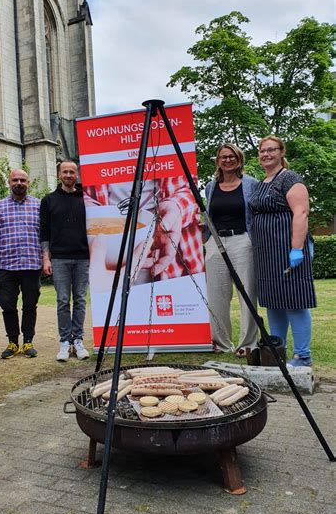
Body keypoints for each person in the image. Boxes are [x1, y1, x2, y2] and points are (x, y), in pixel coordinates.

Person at [249, 135, 316, 367]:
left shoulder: (290, 179)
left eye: (271, 150)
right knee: (273, 302)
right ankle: (277, 353)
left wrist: (296, 249)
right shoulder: (262, 183)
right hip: (266, 253)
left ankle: (302, 356)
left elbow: (301, 213)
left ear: (281, 152)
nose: (265, 154)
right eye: (262, 151)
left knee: (295, 301)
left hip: (287, 250)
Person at [84, 176, 203, 284]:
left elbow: (192, 188)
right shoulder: (92, 157)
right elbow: (80, 194)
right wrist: (91, 213)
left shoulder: (170, 153)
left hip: (176, 266)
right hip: (104, 262)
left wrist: (177, 206)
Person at [204, 144, 259, 356]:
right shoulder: (211, 186)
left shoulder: (250, 184)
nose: (227, 160)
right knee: (216, 295)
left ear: (239, 159)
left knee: (246, 292)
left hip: (242, 241)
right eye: (223, 157)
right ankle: (221, 343)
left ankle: (247, 344)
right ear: (218, 161)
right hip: (216, 242)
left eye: (232, 156)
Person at [0, 169, 42, 359]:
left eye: (23, 180)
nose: (19, 183)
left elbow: (44, 236)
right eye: (15, 180)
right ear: (9, 183)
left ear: (28, 183)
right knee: (7, 304)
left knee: (30, 304)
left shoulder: (38, 205)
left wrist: (45, 259)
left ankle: (28, 342)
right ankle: (12, 342)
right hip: (6, 265)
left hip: (31, 263)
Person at [40, 160, 90, 362]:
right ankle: (64, 342)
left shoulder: (86, 198)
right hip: (59, 258)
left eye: (72, 172)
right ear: (59, 174)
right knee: (62, 301)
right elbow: (44, 232)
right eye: (65, 172)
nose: (69, 175)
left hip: (82, 257)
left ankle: (77, 340)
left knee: (79, 300)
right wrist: (46, 258)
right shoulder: (49, 200)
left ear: (77, 175)